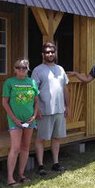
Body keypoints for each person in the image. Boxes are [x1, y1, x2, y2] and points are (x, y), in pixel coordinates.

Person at [31, 42, 69, 175]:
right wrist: (37, 109)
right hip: (44, 110)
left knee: (56, 137)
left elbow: (64, 88)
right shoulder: (38, 70)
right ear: (43, 54)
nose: (50, 54)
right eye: (47, 52)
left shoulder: (60, 69)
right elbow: (34, 92)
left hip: (59, 110)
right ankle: (40, 165)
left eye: (52, 52)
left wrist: (67, 106)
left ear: (55, 53)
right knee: (41, 138)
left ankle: (56, 163)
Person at [2, 58, 40, 187]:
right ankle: (10, 178)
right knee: (15, 148)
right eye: (18, 67)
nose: (21, 70)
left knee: (25, 147)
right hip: (15, 120)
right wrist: (14, 118)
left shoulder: (32, 82)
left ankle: (21, 174)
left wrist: (34, 115)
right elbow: (5, 103)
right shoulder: (9, 82)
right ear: (14, 69)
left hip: (29, 120)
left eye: (24, 67)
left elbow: (36, 101)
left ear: (27, 69)